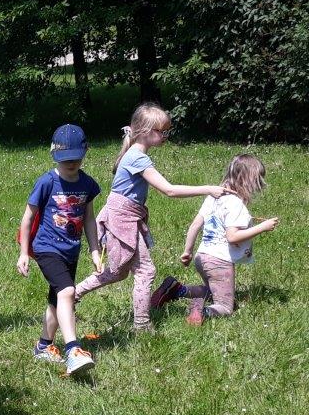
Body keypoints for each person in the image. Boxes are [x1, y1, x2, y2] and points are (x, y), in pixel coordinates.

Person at [73, 104, 228, 332]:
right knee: (145, 271)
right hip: (122, 220)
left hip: (126, 217)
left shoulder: (135, 154)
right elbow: (169, 190)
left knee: (118, 272)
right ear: (145, 131)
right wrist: (208, 189)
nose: (165, 136)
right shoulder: (137, 158)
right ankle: (141, 324)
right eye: (161, 131)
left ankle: (72, 295)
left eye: (167, 131)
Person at [16, 124, 102, 377]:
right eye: (66, 159)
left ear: (85, 153)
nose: (71, 163)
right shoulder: (47, 182)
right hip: (47, 248)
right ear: (54, 155)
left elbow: (89, 219)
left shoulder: (87, 184)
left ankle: (43, 346)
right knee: (67, 292)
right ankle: (73, 350)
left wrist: (94, 250)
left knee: (57, 299)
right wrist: (24, 252)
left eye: (76, 158)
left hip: (71, 250)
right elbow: (27, 218)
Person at [163, 154, 278, 323]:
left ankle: (177, 290)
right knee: (225, 306)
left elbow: (195, 225)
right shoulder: (236, 204)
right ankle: (201, 311)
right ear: (248, 180)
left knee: (213, 291)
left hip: (202, 256)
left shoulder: (213, 197)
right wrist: (262, 227)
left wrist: (187, 251)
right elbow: (232, 237)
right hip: (219, 261)